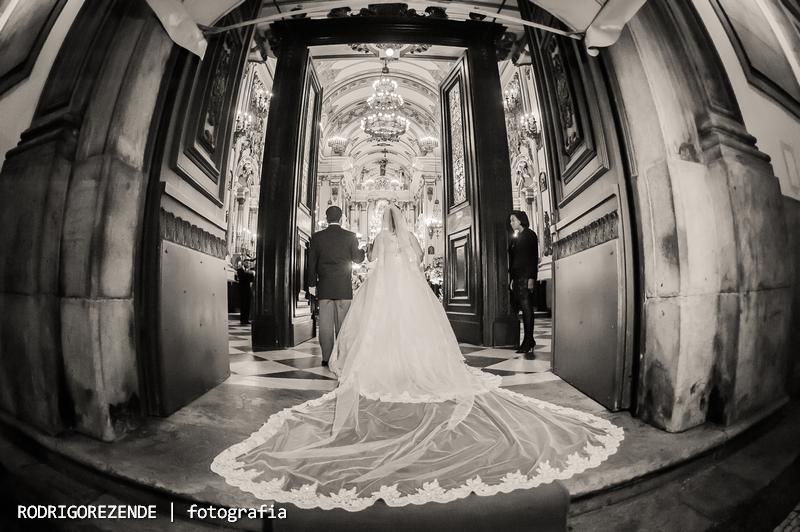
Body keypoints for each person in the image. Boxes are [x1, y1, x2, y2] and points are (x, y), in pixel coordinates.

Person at [212, 206, 623, 511]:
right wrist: (405, 266)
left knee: (377, 328)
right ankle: (416, 365)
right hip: (411, 289)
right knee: (416, 328)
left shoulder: (378, 239)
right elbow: (421, 262)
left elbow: (370, 263)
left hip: (378, 289)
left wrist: (377, 266)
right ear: (403, 221)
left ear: (382, 222)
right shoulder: (407, 240)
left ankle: (350, 358)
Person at [307, 206, 365, 366]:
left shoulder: (317, 237)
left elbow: (311, 263)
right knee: (343, 325)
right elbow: (358, 259)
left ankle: (326, 358)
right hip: (343, 286)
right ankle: (340, 358)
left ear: (326, 218)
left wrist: (312, 285)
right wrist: (363, 251)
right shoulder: (350, 236)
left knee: (325, 325)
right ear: (341, 218)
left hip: (325, 285)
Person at [508, 210, 539, 355]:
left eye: (513, 220)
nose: (511, 222)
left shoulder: (530, 235)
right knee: (520, 308)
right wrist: (512, 279)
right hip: (517, 277)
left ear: (520, 220)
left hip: (527, 277)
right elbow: (514, 259)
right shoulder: (516, 237)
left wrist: (532, 278)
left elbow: (533, 258)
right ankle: (527, 340)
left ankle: (528, 341)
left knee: (527, 309)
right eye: (510, 220)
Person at [235, 260, 254, 325]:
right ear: (243, 263)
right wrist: (249, 274)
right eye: (247, 262)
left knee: (247, 305)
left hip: (248, 290)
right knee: (243, 305)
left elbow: (251, 279)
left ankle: (246, 320)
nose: (248, 264)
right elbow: (242, 277)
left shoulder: (248, 271)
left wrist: (249, 274)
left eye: (249, 263)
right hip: (242, 291)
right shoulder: (240, 270)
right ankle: (242, 320)